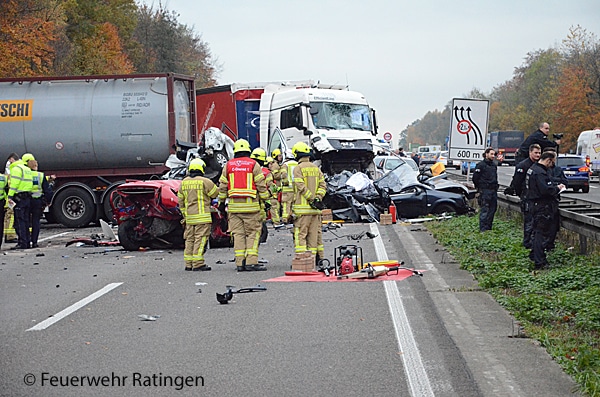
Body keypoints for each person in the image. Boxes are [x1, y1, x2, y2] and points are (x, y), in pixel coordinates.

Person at [217, 139, 270, 272]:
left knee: (238, 234)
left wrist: (221, 204)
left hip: (234, 208)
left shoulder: (228, 165)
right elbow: (261, 186)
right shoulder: (253, 164)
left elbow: (222, 187)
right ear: (248, 151)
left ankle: (240, 263)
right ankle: (251, 262)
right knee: (252, 233)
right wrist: (266, 200)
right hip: (251, 207)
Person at [526, 151, 565, 269]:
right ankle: (539, 261)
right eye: (552, 162)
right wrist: (557, 188)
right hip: (541, 206)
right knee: (540, 234)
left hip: (534, 204)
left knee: (537, 232)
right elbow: (546, 190)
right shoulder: (540, 173)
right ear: (548, 160)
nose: (551, 165)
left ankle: (536, 255)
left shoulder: (532, 169)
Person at [178, 158, 218, 271]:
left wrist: (185, 215)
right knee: (200, 240)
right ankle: (198, 263)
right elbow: (215, 193)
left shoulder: (184, 182)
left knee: (190, 239)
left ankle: (188, 263)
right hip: (202, 217)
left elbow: (180, 201)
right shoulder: (205, 181)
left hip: (190, 218)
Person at [291, 142, 326, 262]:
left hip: (302, 210)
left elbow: (300, 185)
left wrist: (311, 198)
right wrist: (318, 198)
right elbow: (323, 185)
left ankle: (302, 260)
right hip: (315, 211)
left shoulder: (298, 168)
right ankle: (312, 260)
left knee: (300, 235)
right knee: (313, 236)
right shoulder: (316, 169)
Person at [507, 144, 542, 249]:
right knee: (529, 222)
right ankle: (527, 243)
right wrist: (521, 194)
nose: (538, 155)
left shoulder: (540, 165)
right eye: (536, 153)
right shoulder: (523, 165)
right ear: (530, 152)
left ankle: (533, 242)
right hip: (527, 197)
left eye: (539, 153)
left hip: (536, 198)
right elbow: (517, 182)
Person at [7, 153, 34, 249]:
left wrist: (10, 196)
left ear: (12, 159)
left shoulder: (16, 169)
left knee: (19, 221)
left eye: (9, 161)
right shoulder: (26, 169)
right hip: (27, 197)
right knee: (26, 221)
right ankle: (27, 242)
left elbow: (14, 184)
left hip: (19, 198)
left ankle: (22, 243)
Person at [472, 148, 500, 232]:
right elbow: (475, 178)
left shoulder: (493, 165)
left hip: (493, 191)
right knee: (485, 210)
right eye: (491, 154)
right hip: (484, 191)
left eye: (494, 154)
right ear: (486, 154)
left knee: (492, 210)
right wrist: (479, 188)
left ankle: (489, 228)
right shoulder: (480, 165)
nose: (493, 156)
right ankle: (483, 229)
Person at [27, 158, 53, 248]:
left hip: (27, 200)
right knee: (36, 222)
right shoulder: (40, 175)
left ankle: (26, 241)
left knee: (25, 221)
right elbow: (48, 191)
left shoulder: (25, 175)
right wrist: (48, 201)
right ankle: (34, 242)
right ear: (35, 166)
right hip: (37, 201)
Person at [3, 153, 19, 245]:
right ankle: (10, 236)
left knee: (8, 216)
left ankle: (8, 235)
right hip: (11, 197)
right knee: (10, 215)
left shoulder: (13, 168)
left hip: (9, 196)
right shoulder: (14, 168)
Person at [279, 149, 298, 223]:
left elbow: (284, 174)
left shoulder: (285, 164)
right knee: (294, 204)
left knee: (286, 204)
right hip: (296, 188)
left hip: (287, 188)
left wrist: (284, 182)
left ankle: (285, 219)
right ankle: (293, 218)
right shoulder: (297, 164)